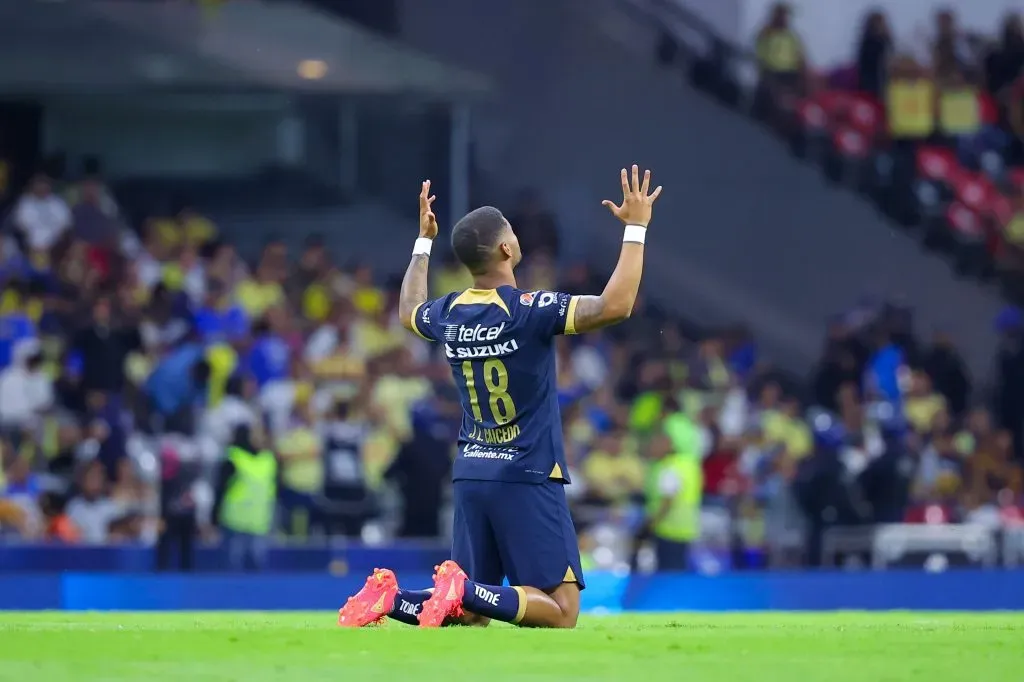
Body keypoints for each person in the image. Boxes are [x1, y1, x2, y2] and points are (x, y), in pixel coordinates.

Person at [337, 165, 662, 628]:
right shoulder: (530, 310)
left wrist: (422, 242)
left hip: (472, 472)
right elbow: (615, 305)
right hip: (526, 472)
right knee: (563, 610)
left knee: (471, 611)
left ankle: (391, 598)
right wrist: (636, 228)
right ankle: (461, 586)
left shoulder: (449, 312)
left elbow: (409, 311)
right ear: (507, 248)